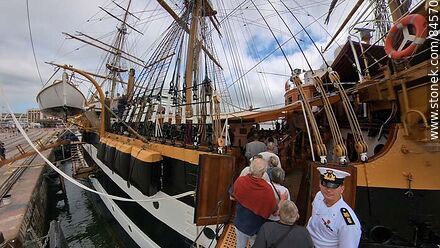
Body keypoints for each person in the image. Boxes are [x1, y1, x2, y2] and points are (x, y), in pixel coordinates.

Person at [307, 167, 361, 247]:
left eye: (333, 186)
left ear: (342, 189)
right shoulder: (319, 196)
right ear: (320, 184)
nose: (328, 190)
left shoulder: (347, 223)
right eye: (325, 185)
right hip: (306, 239)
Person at [230, 157, 277, 248]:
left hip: (240, 223)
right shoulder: (267, 189)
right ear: (263, 173)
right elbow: (273, 210)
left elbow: (232, 197)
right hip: (256, 228)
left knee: (240, 245)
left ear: (250, 169)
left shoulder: (241, 181)